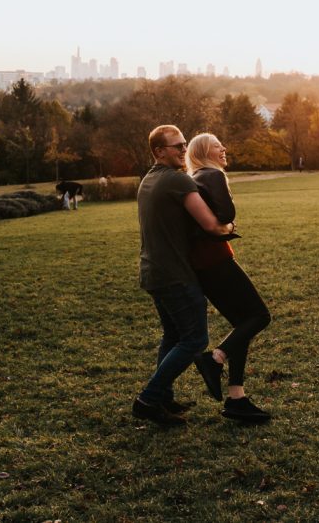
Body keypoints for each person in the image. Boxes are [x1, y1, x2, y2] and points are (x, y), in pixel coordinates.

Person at [133, 125, 236, 426]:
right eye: (176, 146)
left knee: (173, 335)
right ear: (159, 151)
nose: (183, 149)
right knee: (195, 339)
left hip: (153, 272)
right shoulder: (177, 180)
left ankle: (163, 397)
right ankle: (148, 399)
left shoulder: (148, 179)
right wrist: (230, 227)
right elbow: (211, 224)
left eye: (184, 144)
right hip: (175, 274)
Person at [186, 133, 272, 423]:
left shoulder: (195, 177)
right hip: (216, 260)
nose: (223, 148)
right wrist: (230, 224)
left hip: (201, 265)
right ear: (203, 152)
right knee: (260, 316)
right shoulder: (212, 175)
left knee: (242, 326)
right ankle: (215, 359)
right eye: (216, 146)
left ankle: (237, 399)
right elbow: (226, 214)